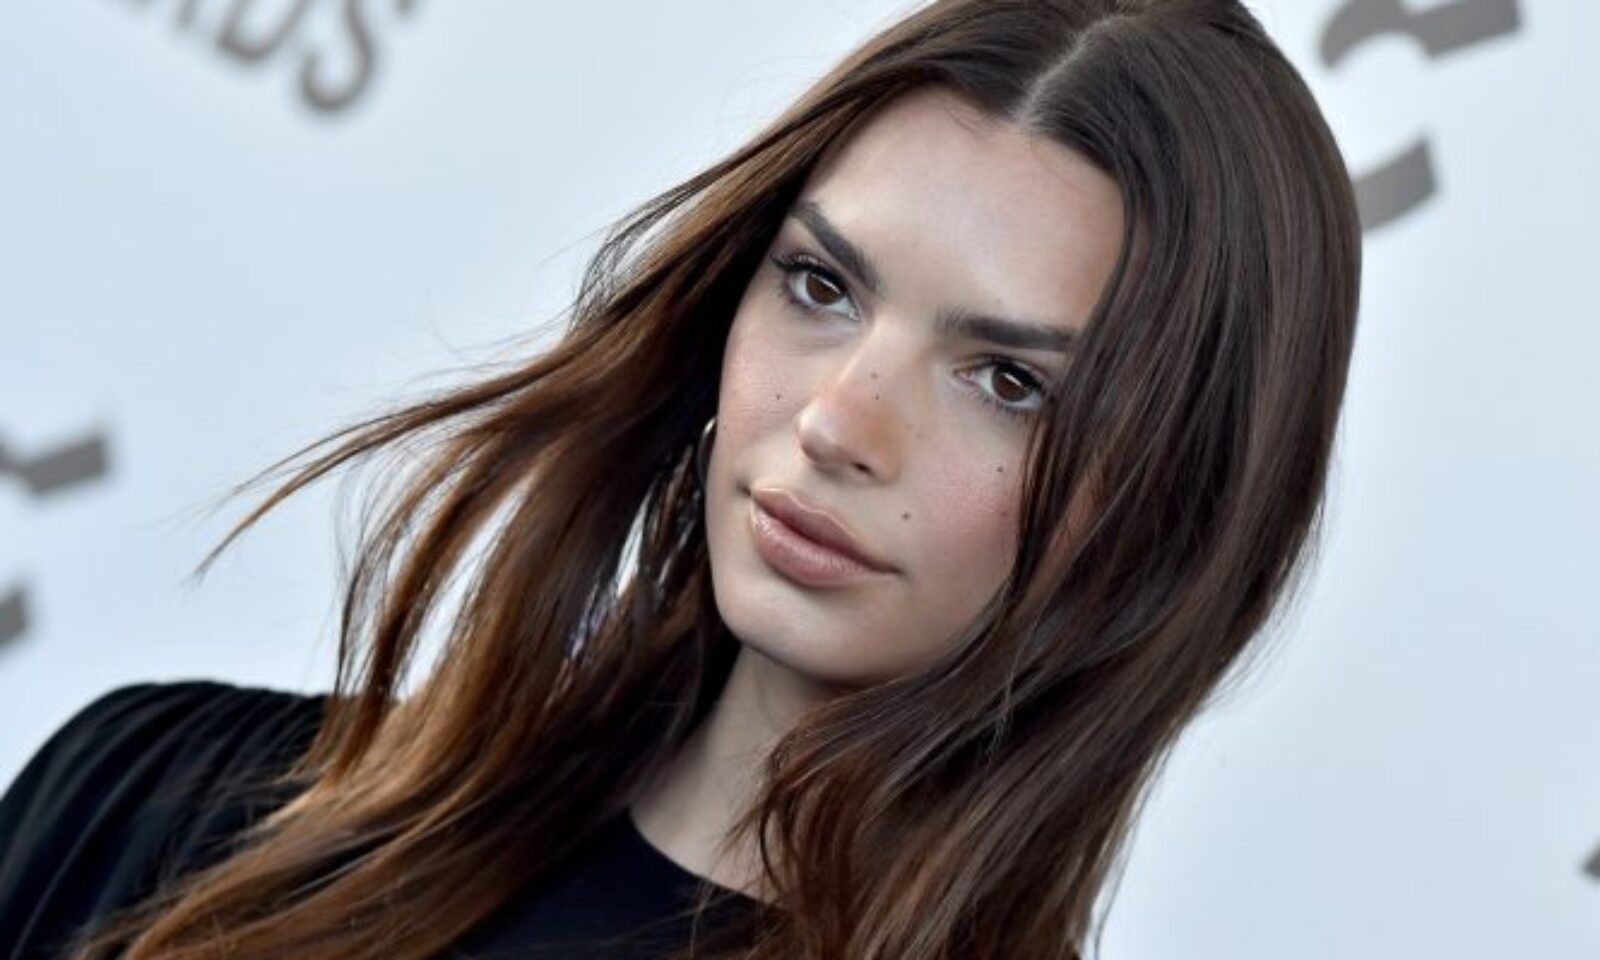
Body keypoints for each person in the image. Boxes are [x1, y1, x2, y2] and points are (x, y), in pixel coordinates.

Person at [0, 1, 1362, 958]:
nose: (835, 421)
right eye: (821, 286)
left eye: (1007, 381)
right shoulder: (165, 804)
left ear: (1174, 508)